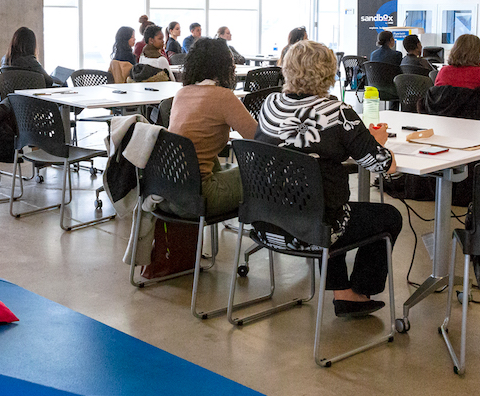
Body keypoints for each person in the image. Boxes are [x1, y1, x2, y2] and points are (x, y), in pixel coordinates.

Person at [255, 40, 401, 318]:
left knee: (321, 202)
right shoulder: (337, 112)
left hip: (269, 222)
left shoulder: (270, 104)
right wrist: (375, 141)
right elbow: (384, 166)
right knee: (387, 216)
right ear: (328, 72)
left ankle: (342, 290)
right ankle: (357, 293)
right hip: (316, 230)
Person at [165, 37, 256, 217]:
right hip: (201, 197)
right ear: (224, 66)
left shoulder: (181, 93)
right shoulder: (223, 97)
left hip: (170, 192)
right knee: (260, 176)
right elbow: (259, 139)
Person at [432, 33, 480, 112]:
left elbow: (437, 99)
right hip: (477, 121)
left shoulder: (443, 72)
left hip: (445, 120)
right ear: (477, 53)